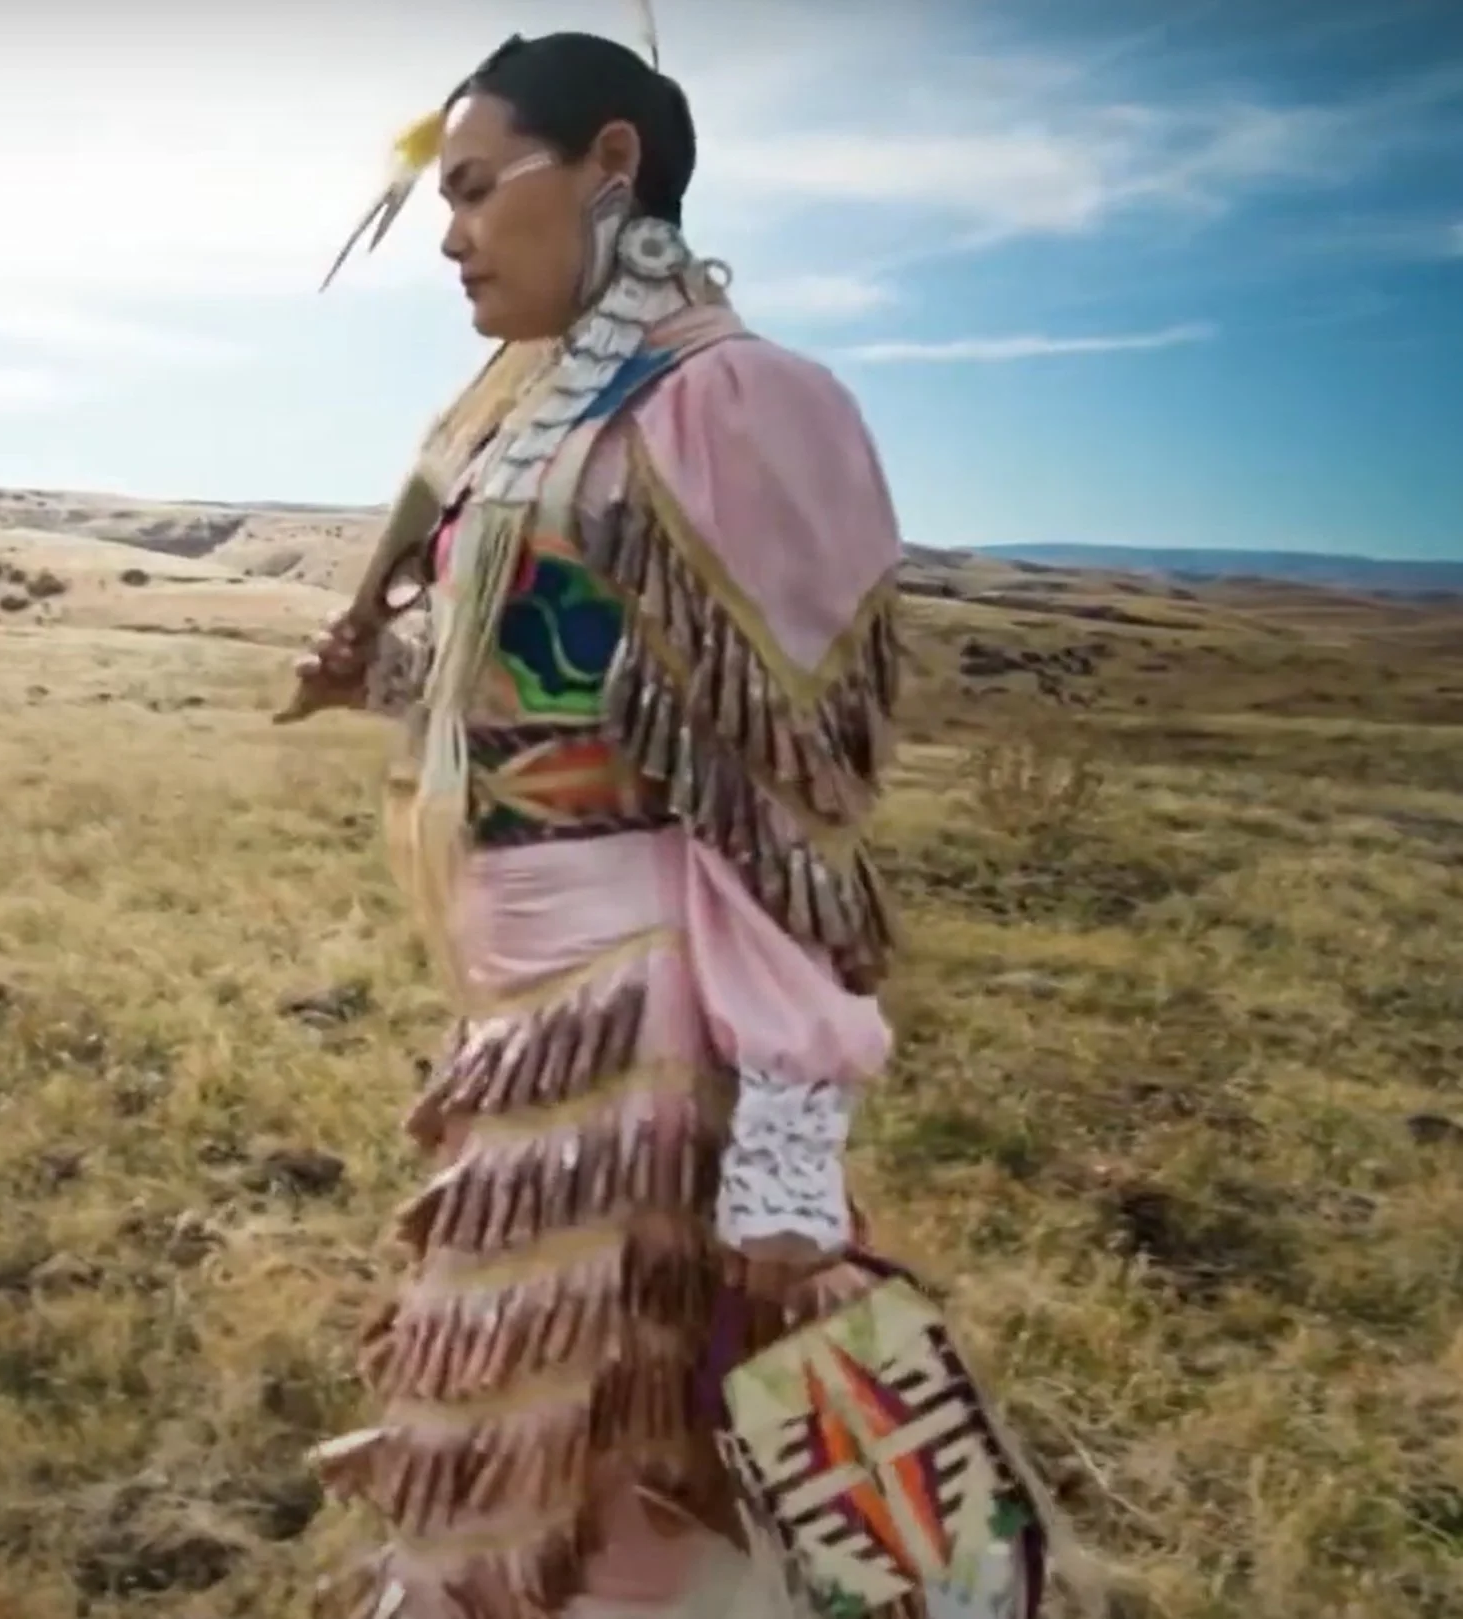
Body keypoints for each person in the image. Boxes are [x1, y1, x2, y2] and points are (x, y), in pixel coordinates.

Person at [286, 28, 934, 1619]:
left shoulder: (741, 403)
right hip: (529, 1021)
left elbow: (792, 802)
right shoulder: (534, 418)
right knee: (555, 1458)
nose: (447, 235)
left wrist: (789, 1126)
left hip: (647, 1036)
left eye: (478, 188)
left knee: (601, 1454)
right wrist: (395, 673)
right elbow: (568, 705)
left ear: (613, 167)